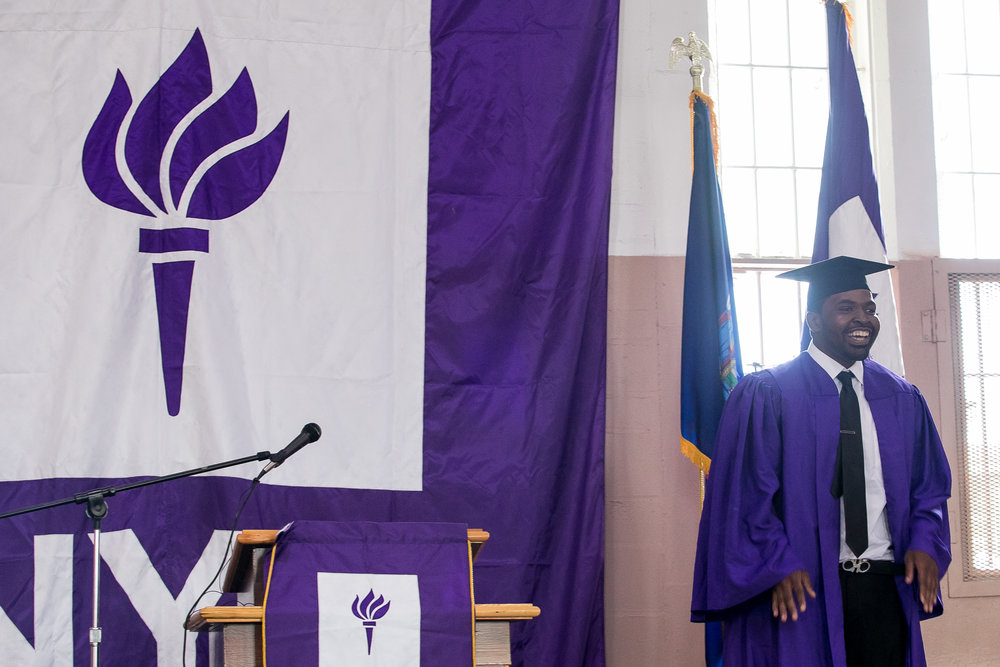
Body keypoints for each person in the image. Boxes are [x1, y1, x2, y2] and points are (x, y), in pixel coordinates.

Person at [690, 256, 951, 667]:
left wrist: (924, 542)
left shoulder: (901, 398)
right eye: (845, 308)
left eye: (869, 308)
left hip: (884, 585)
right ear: (813, 320)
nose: (861, 318)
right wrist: (775, 565)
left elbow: (930, 488)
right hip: (802, 585)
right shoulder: (768, 394)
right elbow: (746, 496)